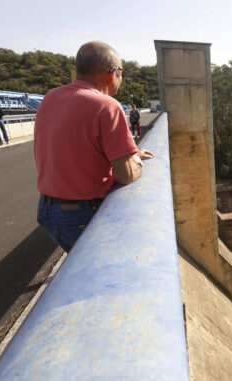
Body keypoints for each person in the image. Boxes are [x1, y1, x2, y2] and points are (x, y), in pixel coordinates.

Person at [35, 41, 154, 252]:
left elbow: (82, 146)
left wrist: (128, 153)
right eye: (122, 72)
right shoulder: (107, 106)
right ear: (112, 73)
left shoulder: (51, 97)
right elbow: (126, 174)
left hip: (48, 210)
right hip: (80, 214)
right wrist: (134, 159)